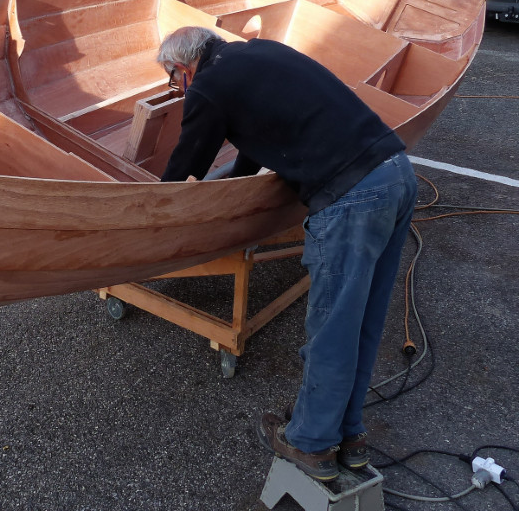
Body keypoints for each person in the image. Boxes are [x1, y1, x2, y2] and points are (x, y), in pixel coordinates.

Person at [157, 26, 417, 483]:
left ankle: (311, 444)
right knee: (361, 323)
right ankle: (350, 437)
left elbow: (183, 170)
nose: (179, 91)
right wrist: (229, 189)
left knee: (333, 329)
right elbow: (255, 150)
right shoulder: (258, 54)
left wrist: (153, 216)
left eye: (174, 82)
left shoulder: (207, 88)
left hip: (352, 199)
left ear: (183, 68)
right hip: (396, 174)